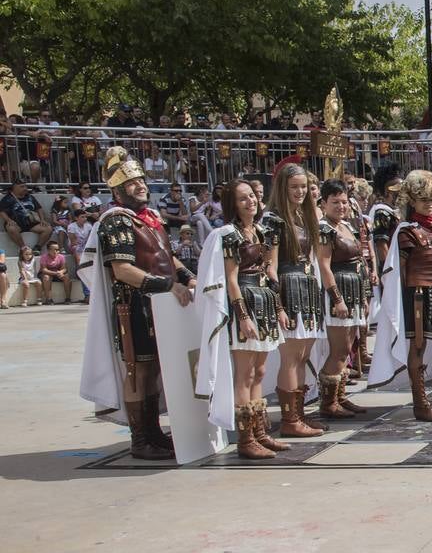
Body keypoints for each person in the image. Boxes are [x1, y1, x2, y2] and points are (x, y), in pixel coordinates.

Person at [79, 146, 195, 460]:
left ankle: (155, 432)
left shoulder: (152, 219)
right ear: (117, 191)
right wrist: (168, 285)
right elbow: (123, 270)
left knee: (156, 369)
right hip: (134, 307)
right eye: (131, 183)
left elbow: (167, 258)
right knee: (138, 371)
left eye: (141, 180)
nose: (140, 185)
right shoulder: (116, 221)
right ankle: (140, 438)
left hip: (162, 307)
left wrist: (188, 278)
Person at [194, 179, 287, 459]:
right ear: (232, 204)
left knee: (259, 372)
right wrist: (243, 316)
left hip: (264, 301)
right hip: (245, 301)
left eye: (253, 197)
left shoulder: (262, 231)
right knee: (244, 374)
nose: (251, 202)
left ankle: (260, 432)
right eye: (243, 198)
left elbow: (270, 272)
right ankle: (246, 439)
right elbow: (231, 280)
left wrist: (279, 307)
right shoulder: (229, 234)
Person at [368, 170, 432, 420]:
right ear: (412, 201)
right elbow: (399, 270)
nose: (429, 204)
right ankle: (421, 404)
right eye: (424, 200)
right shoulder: (406, 231)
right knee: (418, 347)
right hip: (417, 295)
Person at [260, 163, 327, 437]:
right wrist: (278, 305)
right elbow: (270, 266)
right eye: (294, 187)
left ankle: (299, 415)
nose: (300, 192)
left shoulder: (304, 216)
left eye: (303, 187)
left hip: (308, 288)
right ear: (282, 188)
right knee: (290, 358)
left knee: (302, 357)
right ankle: (289, 420)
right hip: (289, 288)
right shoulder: (274, 220)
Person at [313, 179, 369, 419]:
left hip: (354, 290)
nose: (341, 206)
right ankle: (328, 402)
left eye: (344, 201)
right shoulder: (324, 229)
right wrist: (337, 299)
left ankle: (340, 396)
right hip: (339, 290)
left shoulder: (347, 225)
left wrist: (363, 296)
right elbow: (324, 266)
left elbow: (360, 261)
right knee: (339, 350)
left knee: (347, 349)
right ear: (324, 203)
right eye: (335, 202)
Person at [1, 180, 52, 249]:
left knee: (48, 228)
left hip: (32, 223)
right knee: (11, 228)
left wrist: (42, 219)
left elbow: (39, 209)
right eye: (22, 187)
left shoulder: (30, 197)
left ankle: (38, 247)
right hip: (17, 224)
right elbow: (1, 211)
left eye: (25, 186)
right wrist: (8, 220)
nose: (25, 188)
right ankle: (24, 248)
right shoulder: (7, 199)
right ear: (14, 188)